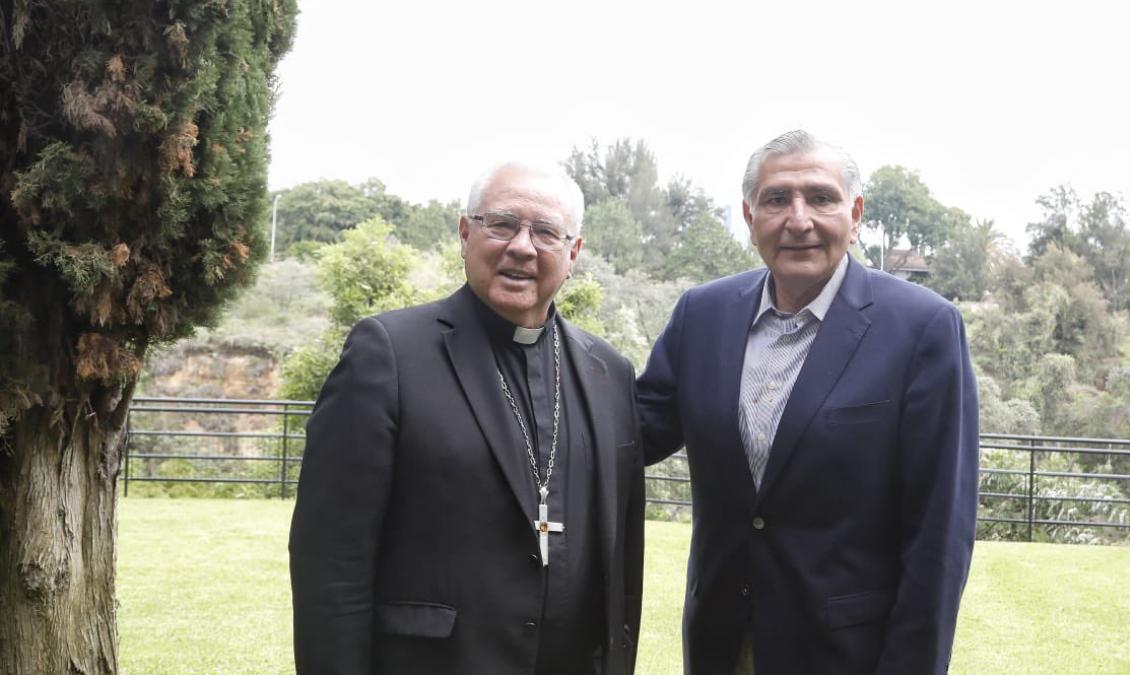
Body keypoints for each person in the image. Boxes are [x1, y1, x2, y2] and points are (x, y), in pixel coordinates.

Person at [637, 129, 978, 674]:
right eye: (776, 199)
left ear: (855, 211)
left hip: (846, 653)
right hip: (720, 645)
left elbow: (940, 533)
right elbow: (627, 434)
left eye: (820, 197)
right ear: (750, 218)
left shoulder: (921, 328)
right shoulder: (702, 316)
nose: (799, 220)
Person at [290, 162, 644, 675]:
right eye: (500, 224)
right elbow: (331, 561)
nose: (522, 246)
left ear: (573, 254)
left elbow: (622, 556)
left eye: (545, 232)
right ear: (464, 234)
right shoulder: (389, 353)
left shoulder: (609, 372)